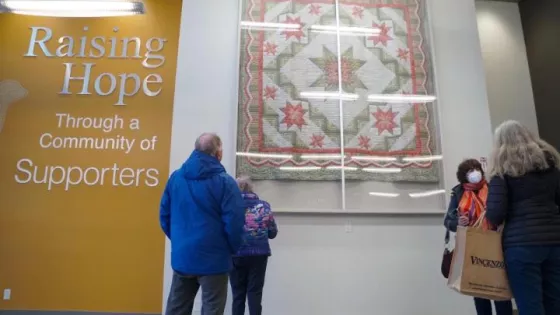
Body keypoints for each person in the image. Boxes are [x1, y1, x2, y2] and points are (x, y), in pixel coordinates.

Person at [160, 133, 246, 315]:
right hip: (214, 260)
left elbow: (164, 216)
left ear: (195, 149)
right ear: (218, 153)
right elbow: (235, 223)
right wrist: (231, 249)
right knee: (212, 309)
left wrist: (180, 240)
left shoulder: (176, 178)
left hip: (183, 256)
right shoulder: (226, 183)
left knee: (177, 308)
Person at [485, 120, 560, 315]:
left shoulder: (501, 172)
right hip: (555, 242)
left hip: (522, 247)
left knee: (530, 306)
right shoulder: (551, 167)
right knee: (555, 303)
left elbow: (495, 213)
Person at [444, 158, 513, 315]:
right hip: (472, 245)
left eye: (476, 169)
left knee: (499, 286)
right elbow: (448, 221)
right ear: (463, 176)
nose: (474, 173)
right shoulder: (458, 192)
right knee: (477, 286)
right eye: (469, 171)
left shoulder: (492, 187)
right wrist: (458, 222)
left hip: (495, 241)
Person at [230, 176, 278, 315]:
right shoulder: (264, 206)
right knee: (255, 294)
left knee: (238, 295)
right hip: (259, 255)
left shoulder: (231, 206)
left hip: (236, 254)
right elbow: (272, 233)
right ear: (252, 188)